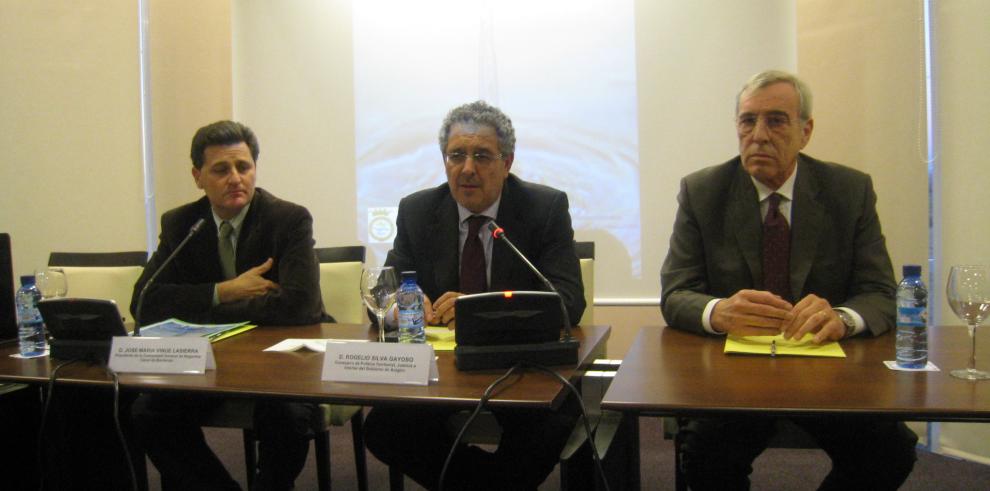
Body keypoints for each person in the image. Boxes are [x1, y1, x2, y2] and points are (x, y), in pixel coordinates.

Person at [660, 70, 918, 490]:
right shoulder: (703, 190)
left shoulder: (848, 190)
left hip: (827, 372)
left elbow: (880, 292)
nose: (758, 135)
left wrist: (842, 317)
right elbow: (676, 293)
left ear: (806, 131)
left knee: (888, 451)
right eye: (748, 121)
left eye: (776, 121)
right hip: (734, 375)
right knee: (706, 454)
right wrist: (719, 311)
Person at [363, 100, 585, 490]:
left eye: (482, 156)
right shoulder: (418, 211)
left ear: (507, 161)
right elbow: (387, 291)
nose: (467, 169)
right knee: (384, 427)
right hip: (441, 374)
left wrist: (478, 309)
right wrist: (404, 305)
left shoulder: (544, 208)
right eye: (456, 155)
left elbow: (568, 301)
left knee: (551, 424)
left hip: (520, 370)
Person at [130, 120, 324, 490]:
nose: (235, 178)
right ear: (197, 176)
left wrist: (201, 307)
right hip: (209, 363)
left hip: (280, 360)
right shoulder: (181, 223)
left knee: (285, 415)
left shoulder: (288, 219)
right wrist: (225, 291)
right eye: (221, 169)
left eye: (243, 167)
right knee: (148, 412)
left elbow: (301, 307)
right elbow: (144, 301)